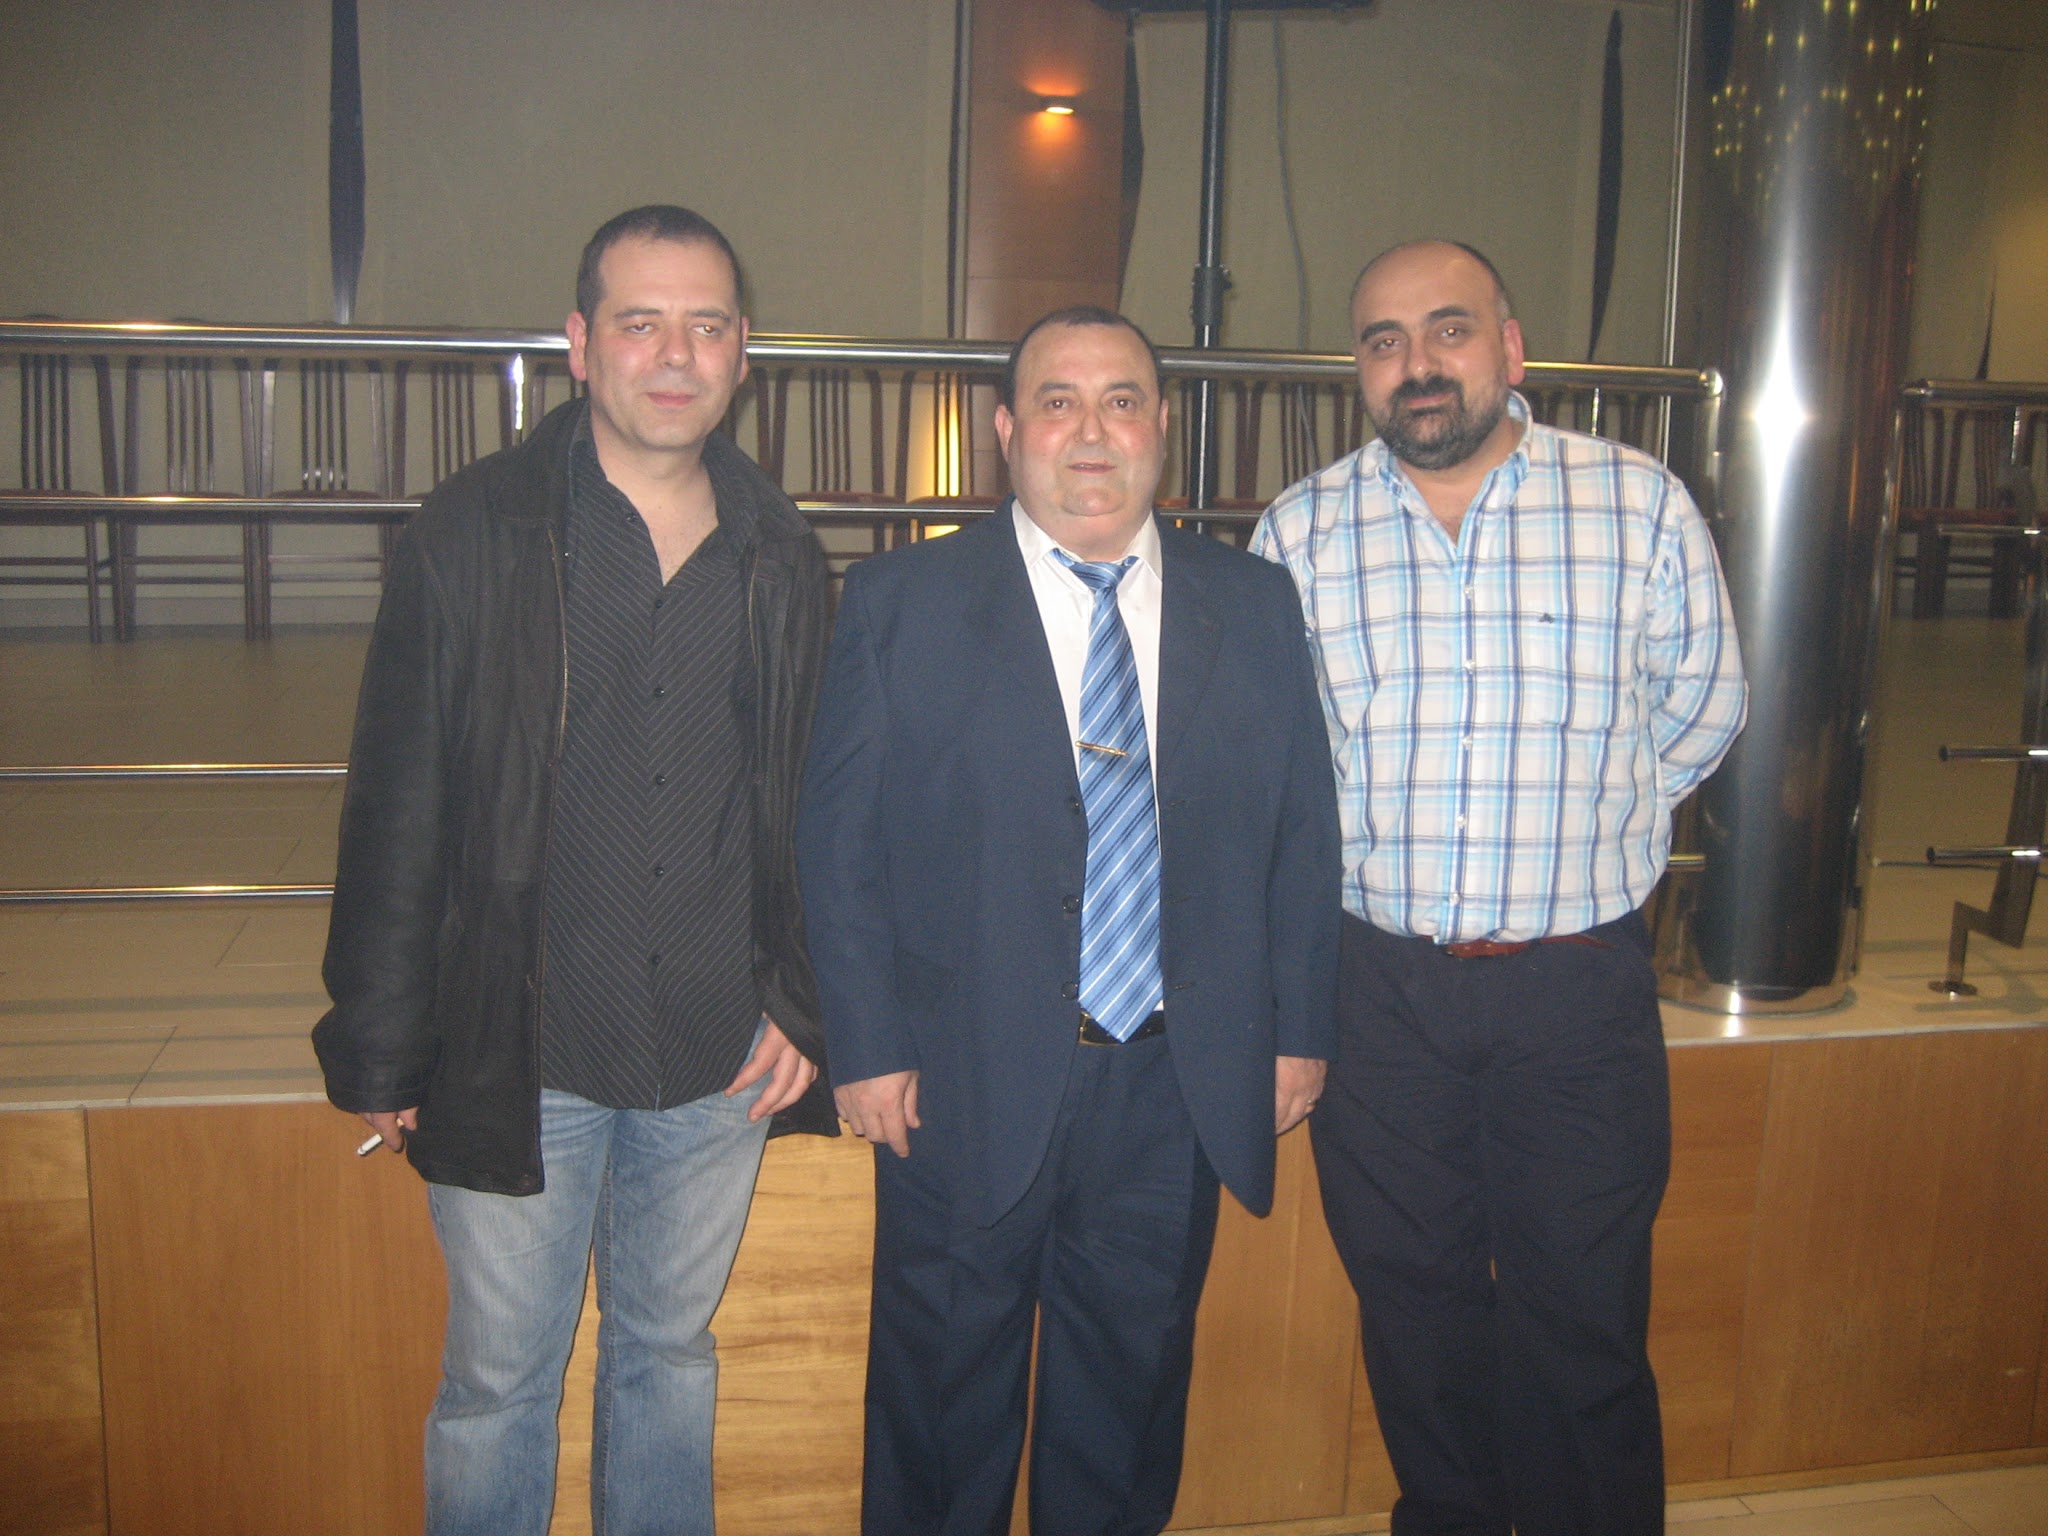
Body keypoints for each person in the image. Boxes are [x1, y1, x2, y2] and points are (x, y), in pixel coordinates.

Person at [312, 204, 832, 1536]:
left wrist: (802, 996)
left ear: (743, 350)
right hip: (520, 1045)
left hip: (714, 1054)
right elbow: (396, 805)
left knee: (670, 1360)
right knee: (498, 1385)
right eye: (641, 323)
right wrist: (383, 1043)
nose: (675, 354)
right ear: (580, 343)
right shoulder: (472, 533)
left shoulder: (781, 552)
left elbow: (810, 803)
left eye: (704, 326)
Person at [798, 306, 1340, 1536]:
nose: (1089, 430)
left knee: (1126, 1400)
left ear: (1161, 427)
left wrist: (1297, 1028)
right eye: (1056, 401)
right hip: (958, 1076)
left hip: (1172, 1080)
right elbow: (837, 846)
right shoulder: (901, 599)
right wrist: (866, 1045)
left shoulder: (1252, 601)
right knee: (942, 1398)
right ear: (1005, 429)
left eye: (1119, 401)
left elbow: (1302, 831)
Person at [1252, 240, 1746, 1536]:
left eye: (1448, 328)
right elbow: (1283, 766)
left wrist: (1587, 831)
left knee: (1581, 1317)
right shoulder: (1299, 533)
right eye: (1383, 340)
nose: (1416, 363)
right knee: (1412, 1311)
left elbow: (1702, 708)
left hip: (1573, 991)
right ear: (1358, 369)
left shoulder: (1636, 507)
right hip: (1378, 993)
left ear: (1511, 350)